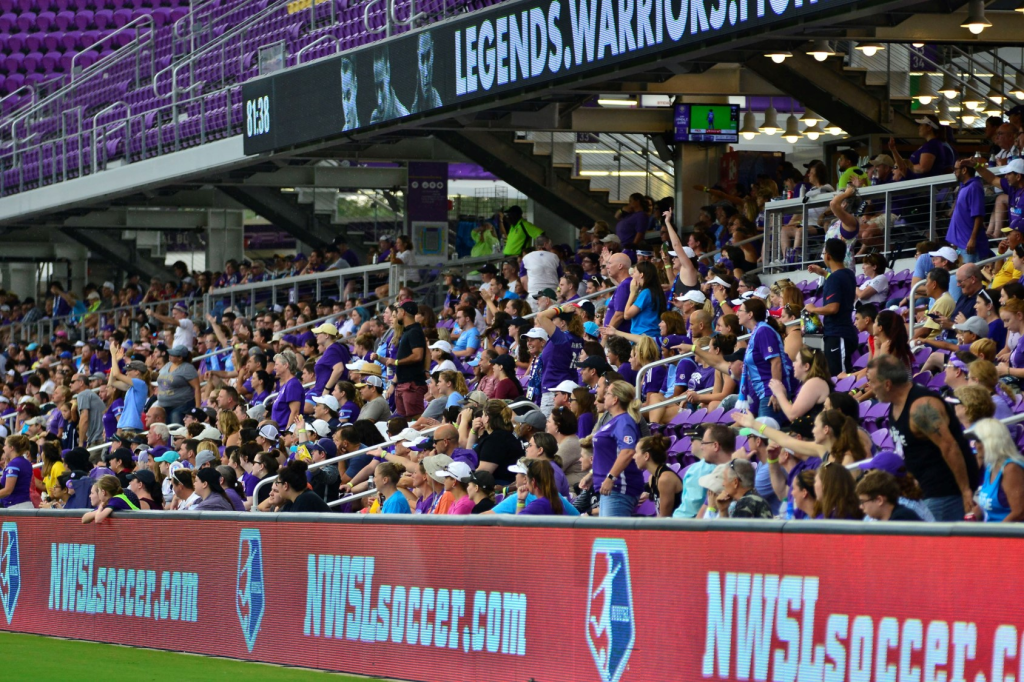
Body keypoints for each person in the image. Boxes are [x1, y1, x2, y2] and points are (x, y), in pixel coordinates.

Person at [867, 355, 979, 520]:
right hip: (923, 490)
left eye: (871, 381)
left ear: (887, 384)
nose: (869, 387)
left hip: (944, 492)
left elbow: (950, 447)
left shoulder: (921, 407)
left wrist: (965, 490)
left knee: (937, 537)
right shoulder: (895, 404)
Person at [592, 380, 644, 517]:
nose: (604, 396)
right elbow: (608, 455)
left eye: (607, 393)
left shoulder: (624, 421)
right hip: (610, 488)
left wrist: (611, 477)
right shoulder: (614, 421)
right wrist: (590, 475)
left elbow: (628, 451)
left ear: (615, 399)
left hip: (619, 488)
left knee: (612, 531)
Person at [807, 238, 858, 375]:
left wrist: (813, 309)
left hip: (837, 334)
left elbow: (832, 308)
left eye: (824, 253)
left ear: (828, 256)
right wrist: (823, 273)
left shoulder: (835, 278)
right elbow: (837, 280)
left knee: (840, 377)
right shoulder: (849, 274)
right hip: (846, 332)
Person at [736, 298, 793, 421]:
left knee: (765, 432)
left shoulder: (763, 331)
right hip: (764, 393)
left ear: (750, 314)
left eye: (740, 310)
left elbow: (776, 362)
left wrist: (776, 393)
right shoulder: (756, 332)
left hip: (770, 393)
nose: (737, 313)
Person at [768, 346, 833, 437]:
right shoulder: (811, 382)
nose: (793, 364)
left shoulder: (815, 382)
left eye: (796, 361)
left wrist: (779, 393)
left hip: (813, 436)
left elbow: (792, 415)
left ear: (806, 366)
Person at [534, 304, 585, 415]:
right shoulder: (578, 339)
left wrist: (561, 309)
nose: (551, 323)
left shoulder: (562, 338)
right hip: (568, 389)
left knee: (550, 425)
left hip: (554, 391)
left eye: (553, 320)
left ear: (562, 323)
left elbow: (541, 316)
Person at [971, 418, 1024, 522]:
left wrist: (995, 530)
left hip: (1010, 531)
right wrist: (972, 516)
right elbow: (987, 504)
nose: (975, 445)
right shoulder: (991, 466)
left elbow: (1020, 513)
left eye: (978, 440)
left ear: (992, 441)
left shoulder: (1011, 469)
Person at [463, 400, 524, 483]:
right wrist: (474, 431)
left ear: (487, 418)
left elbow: (482, 474)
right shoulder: (494, 435)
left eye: (483, 415)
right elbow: (470, 454)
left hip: (498, 485)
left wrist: (463, 480)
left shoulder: (496, 440)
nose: (481, 418)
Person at [386, 301, 429, 419]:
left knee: (415, 418)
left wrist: (396, 362)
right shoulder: (409, 331)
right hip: (403, 383)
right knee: (403, 421)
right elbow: (427, 353)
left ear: (403, 312)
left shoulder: (414, 332)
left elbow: (418, 355)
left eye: (397, 311)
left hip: (411, 385)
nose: (396, 314)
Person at [948, 160, 990, 262]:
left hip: (969, 246)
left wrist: (972, 239)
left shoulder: (974, 186)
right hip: (961, 244)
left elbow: (978, 215)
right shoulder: (965, 186)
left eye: (955, 169)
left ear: (964, 170)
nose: (954, 172)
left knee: (970, 272)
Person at [633, 434, 682, 517]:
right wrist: (649, 495)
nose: (633, 457)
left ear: (646, 456)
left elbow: (664, 517)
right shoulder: (652, 478)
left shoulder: (665, 479)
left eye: (636, 452)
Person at [109, 343, 149, 433]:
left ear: (137, 372)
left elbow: (116, 374)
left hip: (132, 427)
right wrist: (116, 360)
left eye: (129, 370)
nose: (126, 373)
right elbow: (112, 382)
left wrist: (113, 355)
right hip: (125, 426)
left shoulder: (141, 384)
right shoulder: (132, 387)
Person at [156, 345, 201, 425]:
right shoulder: (167, 365)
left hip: (181, 405)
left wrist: (197, 409)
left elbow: (197, 388)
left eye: (173, 354)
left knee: (175, 424)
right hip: (163, 405)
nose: (169, 355)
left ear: (180, 358)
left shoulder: (188, 368)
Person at [856, 470, 924, 521]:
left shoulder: (902, 519)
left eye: (862, 502)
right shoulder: (880, 520)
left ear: (879, 500)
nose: (860, 507)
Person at [0, 435, 34, 509]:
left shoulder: (14, 464)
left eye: (5, 445)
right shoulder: (26, 462)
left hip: (16, 506)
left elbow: (8, 490)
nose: (3, 448)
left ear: (11, 448)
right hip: (25, 504)